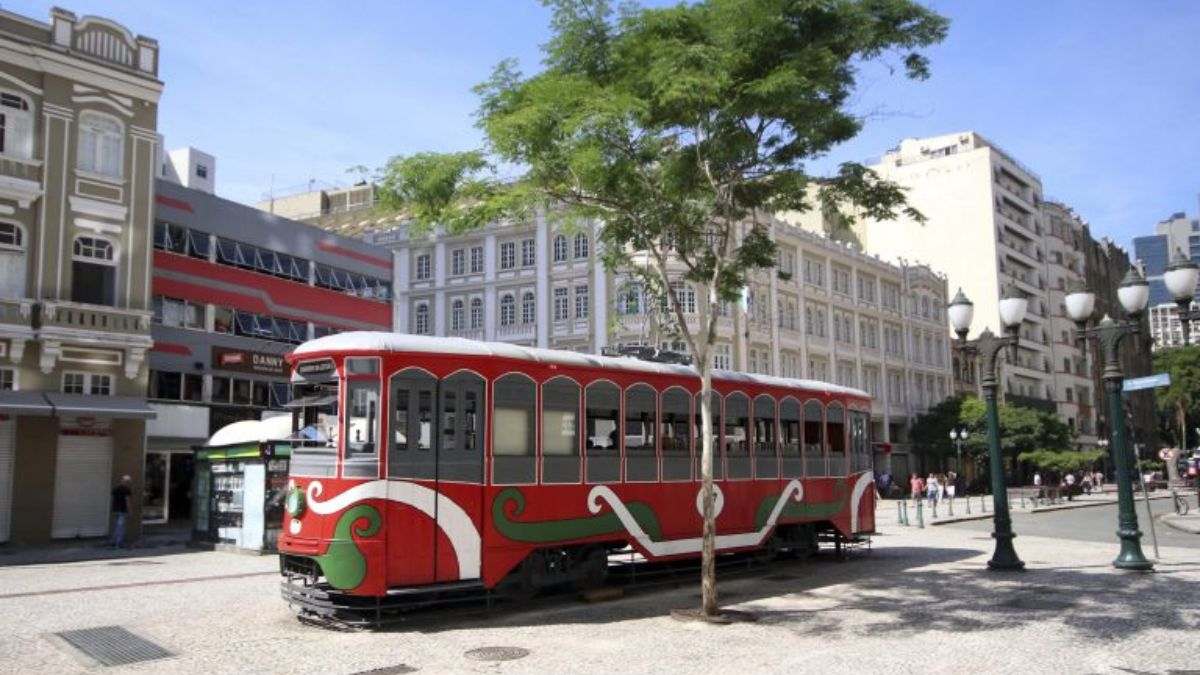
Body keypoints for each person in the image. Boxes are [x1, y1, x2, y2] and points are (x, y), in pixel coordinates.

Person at [110, 475, 132, 548]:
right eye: (128, 482)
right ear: (126, 481)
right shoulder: (126, 490)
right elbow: (127, 501)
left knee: (116, 526)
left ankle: (113, 541)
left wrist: (112, 508)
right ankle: (119, 543)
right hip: (122, 510)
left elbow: (112, 499)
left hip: (115, 509)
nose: (128, 483)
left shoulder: (115, 488)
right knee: (121, 527)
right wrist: (129, 510)